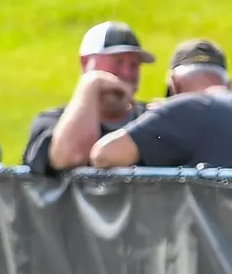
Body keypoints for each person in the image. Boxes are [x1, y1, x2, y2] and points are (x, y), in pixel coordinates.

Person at [23, 21, 154, 174]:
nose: (126, 73)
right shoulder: (52, 122)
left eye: (134, 65)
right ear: (85, 62)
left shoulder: (148, 119)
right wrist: (92, 82)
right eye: (118, 61)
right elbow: (72, 157)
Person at [91, 39, 232, 169]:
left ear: (174, 84)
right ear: (228, 84)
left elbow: (103, 155)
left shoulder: (183, 111)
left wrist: (159, 116)